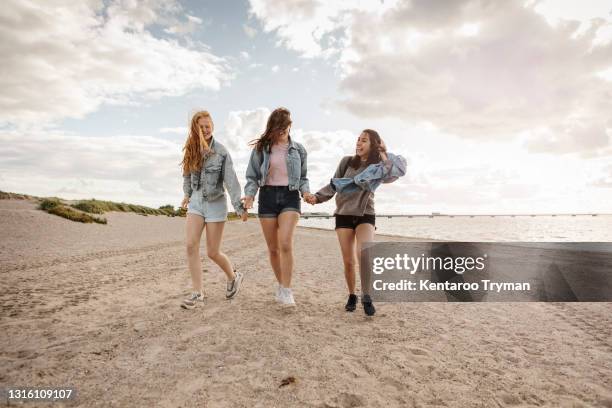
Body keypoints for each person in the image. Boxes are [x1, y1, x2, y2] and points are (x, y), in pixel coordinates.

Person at [306, 129, 406, 316]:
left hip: (366, 212)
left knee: (365, 254)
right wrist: (317, 198)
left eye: (364, 141)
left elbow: (394, 173)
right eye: (358, 140)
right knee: (349, 261)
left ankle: (367, 295)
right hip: (343, 213)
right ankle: (352, 295)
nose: (359, 143)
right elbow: (334, 184)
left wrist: (384, 151)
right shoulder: (346, 161)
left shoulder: (378, 166)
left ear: (373, 144)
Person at [242, 107, 314, 306]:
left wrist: (306, 192)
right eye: (277, 127)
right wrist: (249, 196)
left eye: (284, 126)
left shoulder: (299, 150)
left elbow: (303, 177)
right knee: (273, 248)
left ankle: (287, 289)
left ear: (290, 125)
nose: (281, 130)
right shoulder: (261, 149)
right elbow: (252, 176)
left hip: (290, 196)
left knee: (285, 243)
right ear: (272, 126)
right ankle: (281, 286)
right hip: (267, 196)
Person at [179, 110, 248, 309]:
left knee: (212, 252)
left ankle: (234, 276)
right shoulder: (190, 150)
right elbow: (186, 175)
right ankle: (198, 293)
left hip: (216, 203)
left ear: (213, 126)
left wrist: (239, 207)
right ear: (195, 129)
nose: (205, 129)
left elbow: (231, 181)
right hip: (196, 201)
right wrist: (187, 194)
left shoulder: (222, 151)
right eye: (201, 127)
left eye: (208, 126)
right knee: (191, 245)